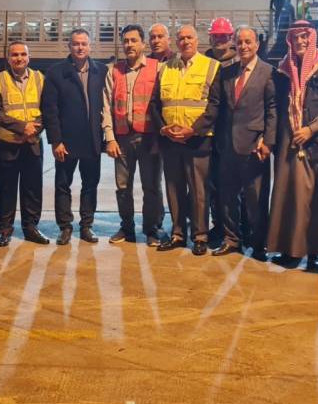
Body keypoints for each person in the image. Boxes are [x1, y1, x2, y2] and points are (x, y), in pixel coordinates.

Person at [266, 21, 318, 269]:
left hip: (316, 144)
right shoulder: (283, 70)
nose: (300, 41)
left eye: (304, 37)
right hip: (288, 143)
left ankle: (312, 252)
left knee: (313, 200)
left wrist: (311, 129)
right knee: (288, 198)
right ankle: (290, 250)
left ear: (312, 38)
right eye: (295, 37)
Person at [152, 24, 223, 256]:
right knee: (174, 189)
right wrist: (163, 128)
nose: (185, 42)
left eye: (189, 37)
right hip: (170, 140)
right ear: (176, 42)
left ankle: (200, 236)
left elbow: (214, 106)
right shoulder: (164, 68)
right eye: (181, 38)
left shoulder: (211, 66)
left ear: (197, 40)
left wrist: (193, 130)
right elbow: (155, 104)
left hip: (197, 141)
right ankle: (178, 234)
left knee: (199, 191)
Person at [212, 26, 276, 261]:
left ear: (257, 45)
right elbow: (219, 108)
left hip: (254, 147)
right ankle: (232, 240)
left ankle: (259, 244)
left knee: (255, 199)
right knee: (227, 197)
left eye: (248, 42)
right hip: (227, 146)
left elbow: (272, 109)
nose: (244, 46)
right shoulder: (227, 72)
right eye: (239, 42)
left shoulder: (268, 72)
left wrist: (268, 141)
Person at [102, 25, 166, 246]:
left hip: (149, 139)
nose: (129, 44)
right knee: (122, 188)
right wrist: (110, 137)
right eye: (126, 41)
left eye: (134, 40)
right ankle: (126, 227)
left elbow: (162, 104)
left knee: (151, 187)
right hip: (121, 139)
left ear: (143, 44)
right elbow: (106, 106)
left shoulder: (158, 68)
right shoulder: (114, 71)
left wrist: (160, 138)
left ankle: (152, 229)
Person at [42, 29, 106, 245]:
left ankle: (86, 225)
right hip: (66, 142)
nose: (80, 47)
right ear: (69, 46)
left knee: (90, 184)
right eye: (76, 44)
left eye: (84, 44)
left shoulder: (101, 71)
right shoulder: (56, 72)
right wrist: (56, 141)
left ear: (90, 46)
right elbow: (50, 110)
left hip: (92, 140)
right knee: (63, 185)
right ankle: (65, 227)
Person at [0, 41, 49, 247]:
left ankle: (31, 229)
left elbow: (48, 110)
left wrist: (34, 130)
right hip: (7, 144)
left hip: (32, 144)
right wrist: (22, 128)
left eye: (23, 54)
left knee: (32, 189)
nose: (19, 58)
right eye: (14, 55)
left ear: (29, 57)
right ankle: (4, 230)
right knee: (6, 189)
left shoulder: (40, 79)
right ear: (8, 58)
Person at [204, 17, 237, 242]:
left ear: (230, 38)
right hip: (208, 132)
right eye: (216, 36)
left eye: (223, 36)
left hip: (231, 132)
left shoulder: (238, 62)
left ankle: (236, 228)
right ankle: (217, 225)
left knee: (232, 186)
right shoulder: (204, 61)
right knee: (212, 184)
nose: (219, 40)